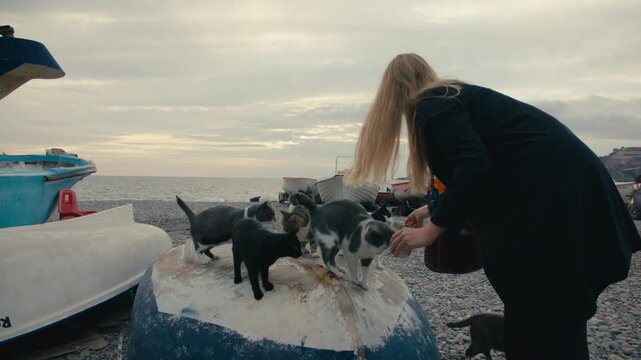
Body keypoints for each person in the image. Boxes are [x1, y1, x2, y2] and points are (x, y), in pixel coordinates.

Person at [345, 53, 641, 359]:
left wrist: (431, 231)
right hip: (567, 197)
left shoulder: (432, 103)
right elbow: (497, 166)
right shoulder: (456, 97)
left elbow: (475, 167)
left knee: (544, 310)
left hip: (552, 208)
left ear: (392, 93)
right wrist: (433, 210)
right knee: (544, 311)